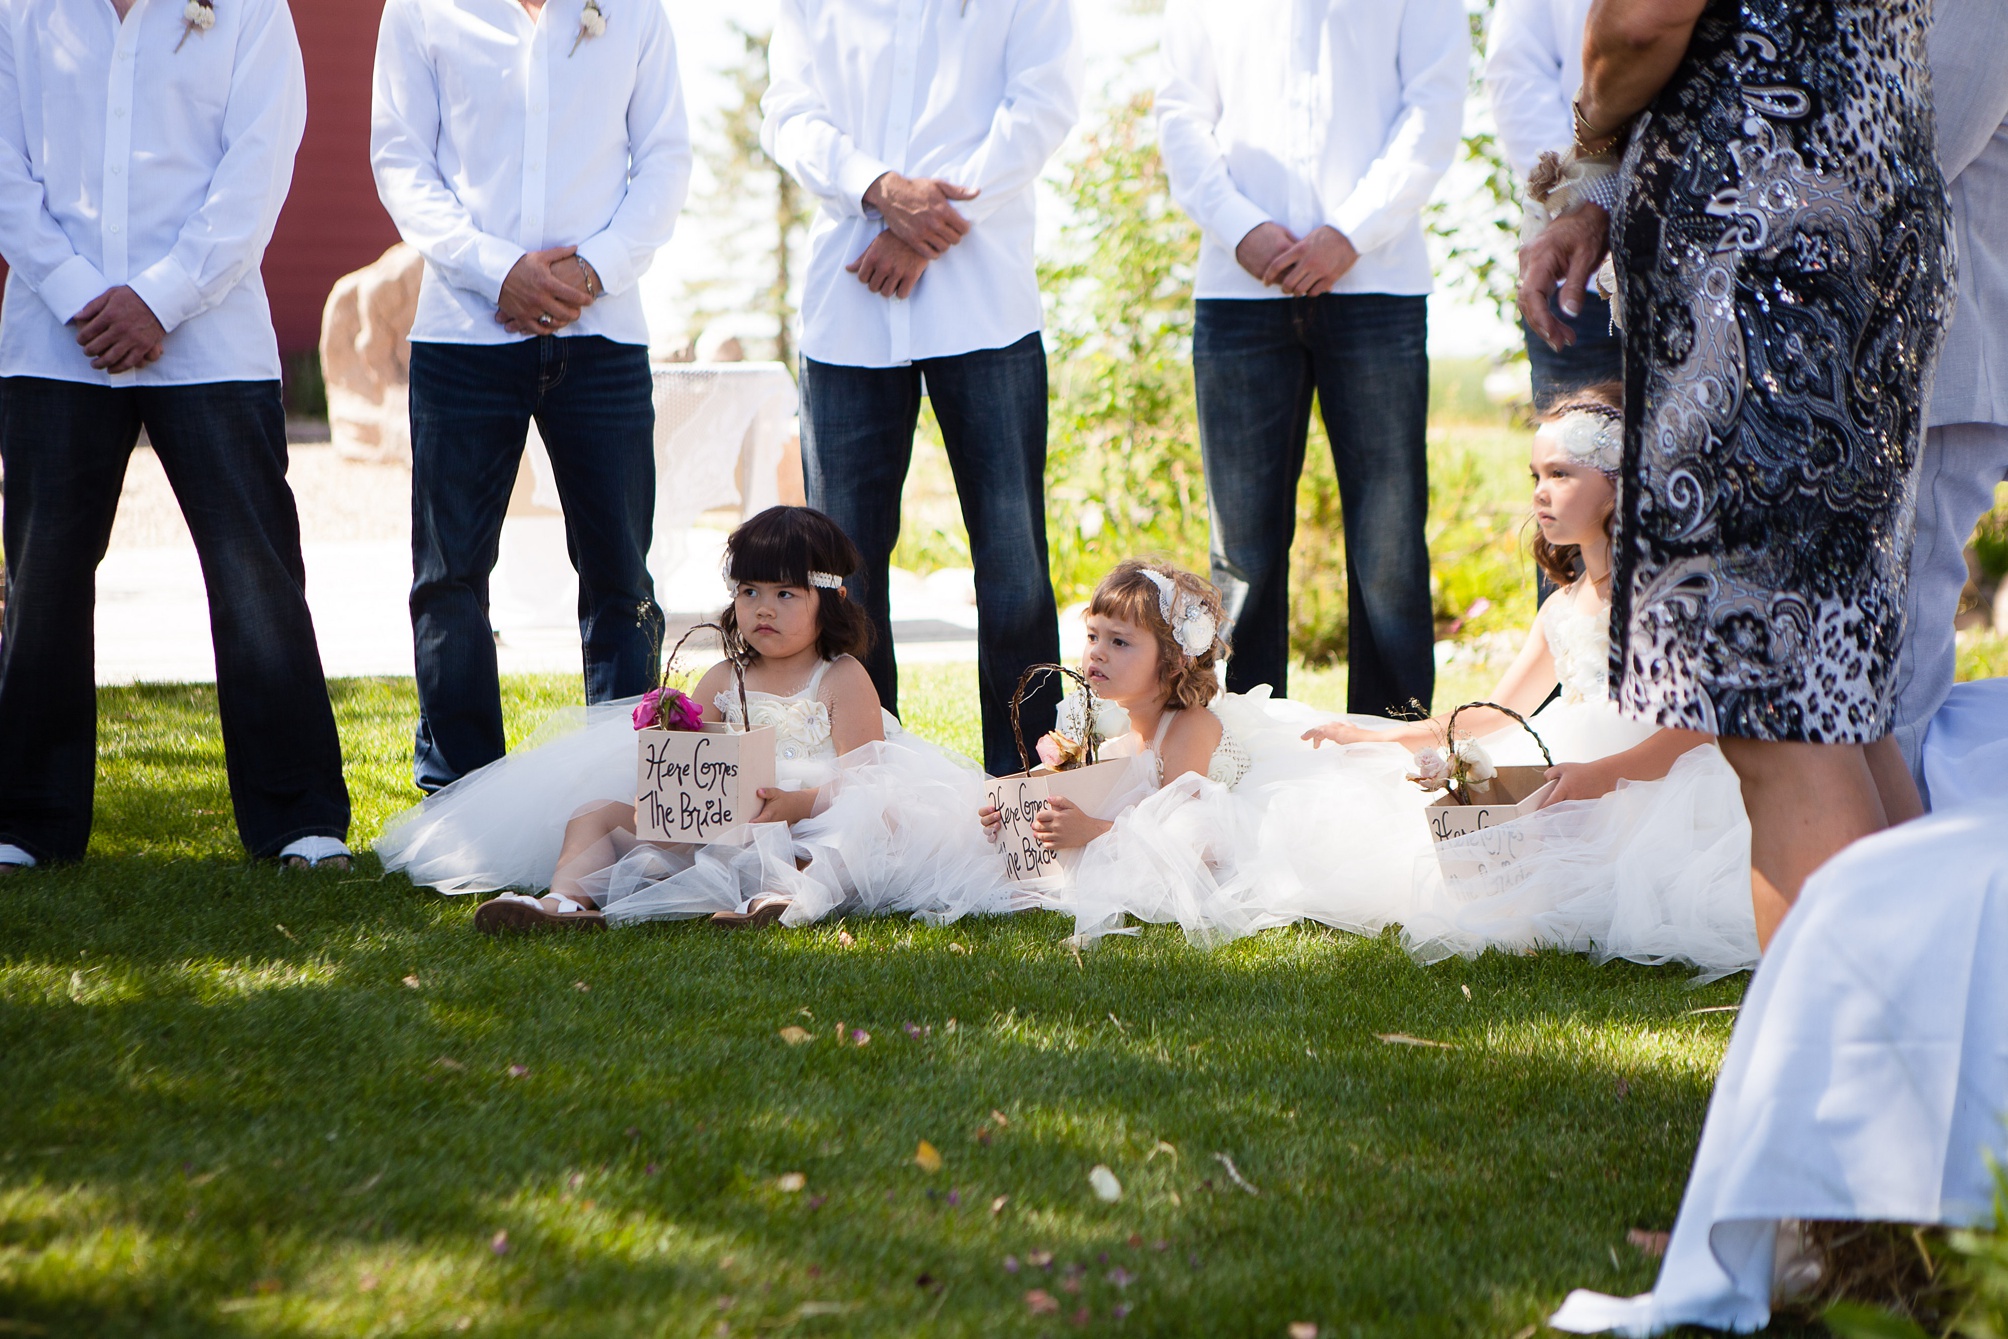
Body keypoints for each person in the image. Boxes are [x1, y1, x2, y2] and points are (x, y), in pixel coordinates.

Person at [1518, 0, 1953, 947]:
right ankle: (1946, 1057)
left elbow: (1643, 17)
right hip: (1876, 217)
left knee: (1779, 714)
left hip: (1759, 267)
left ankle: (1843, 1077)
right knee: (1836, 690)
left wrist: (1593, 138)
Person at [0, 0, 352, 874]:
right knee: (41, 579)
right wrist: (82, 288)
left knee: (256, 578)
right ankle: (27, 819)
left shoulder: (249, 12)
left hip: (212, 339)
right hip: (56, 337)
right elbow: (7, 168)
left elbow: (258, 165)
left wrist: (161, 296)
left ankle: (297, 815)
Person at [1299, 389, 1756, 979]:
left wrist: (1601, 775)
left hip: (1652, 773)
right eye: (1536, 474)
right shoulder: (1560, 608)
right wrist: (1385, 739)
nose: (1540, 491)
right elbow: (1495, 713)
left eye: (1561, 474)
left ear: (1623, 484)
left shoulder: (1662, 596)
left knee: (1590, 880)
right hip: (1566, 760)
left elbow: (1700, 725)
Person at [375, 506, 1005, 931]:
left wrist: (797, 802)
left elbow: (869, 777)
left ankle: (788, 898)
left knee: (860, 824)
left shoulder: (839, 677)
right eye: (750, 591)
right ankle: (566, 899)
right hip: (726, 825)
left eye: (786, 594)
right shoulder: (721, 678)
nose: (764, 609)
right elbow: (690, 762)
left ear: (828, 601)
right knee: (595, 813)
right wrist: (668, 749)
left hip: (811, 819)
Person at [370, 0, 691, 794]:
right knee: (449, 574)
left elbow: (666, 159)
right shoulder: (420, 10)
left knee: (620, 573)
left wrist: (592, 271)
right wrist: (495, 268)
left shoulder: (635, 13)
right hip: (463, 330)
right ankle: (459, 785)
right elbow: (403, 162)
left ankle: (620, 787)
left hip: (605, 332)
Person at [760, 0, 1080, 778]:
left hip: (985, 307)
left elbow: (1041, 108)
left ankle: (1025, 791)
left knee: (1012, 563)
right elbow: (789, 115)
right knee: (842, 573)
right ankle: (863, 785)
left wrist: (918, 222)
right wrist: (875, 187)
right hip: (849, 313)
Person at [1156, 0, 1465, 712]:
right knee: (1241, 550)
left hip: (1376, 281)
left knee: (1388, 541)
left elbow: (1433, 107)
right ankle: (1241, 743)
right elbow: (1180, 116)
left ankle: (1392, 745)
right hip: (1239, 288)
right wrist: (1241, 227)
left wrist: (1350, 232)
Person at [1887, 0, 2008, 802]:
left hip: (1943, 363)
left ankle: (1886, 896)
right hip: (1887, 360)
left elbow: (1912, 145)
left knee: (1893, 662)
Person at [1485, 0, 1624, 410]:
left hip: (1714, 257)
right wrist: (1581, 198)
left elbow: (1645, 29)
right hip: (1581, 273)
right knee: (1577, 459)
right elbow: (1517, 74)